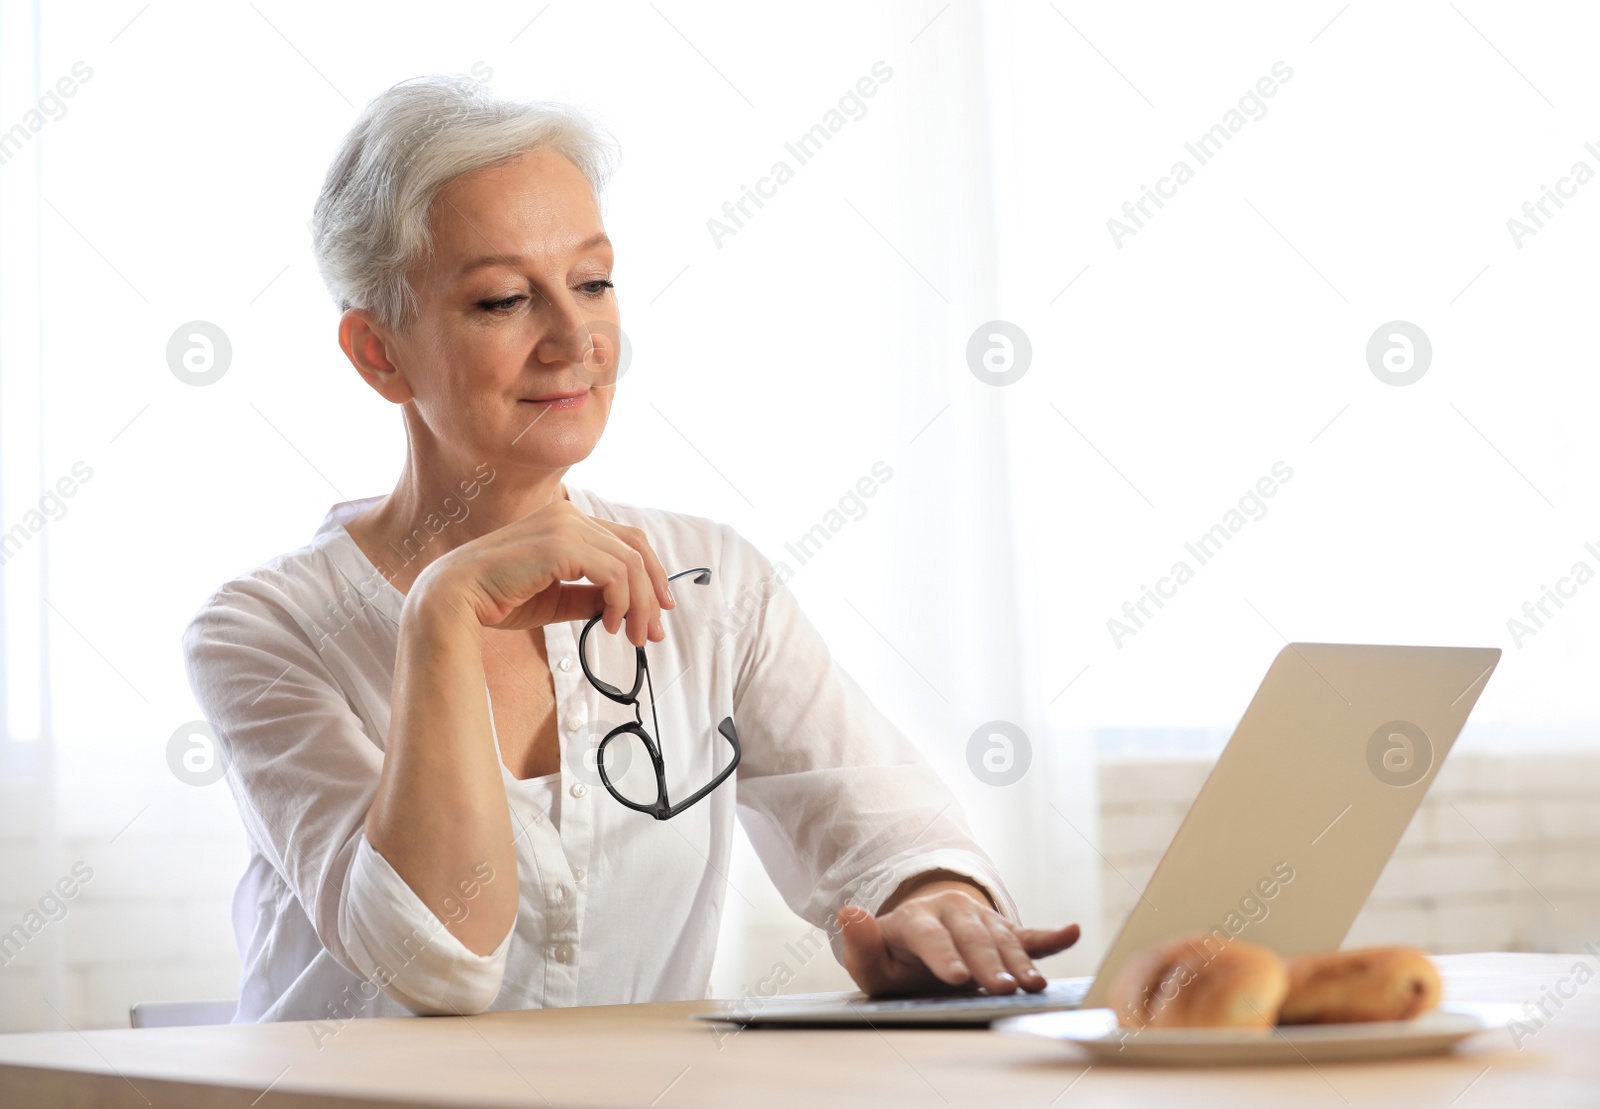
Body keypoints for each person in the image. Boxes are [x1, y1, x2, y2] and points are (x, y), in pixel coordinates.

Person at [182, 74, 1079, 1023]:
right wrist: (443, 611)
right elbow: (435, 964)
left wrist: (936, 910)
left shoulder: (714, 579)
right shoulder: (260, 631)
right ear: (378, 353)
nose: (576, 337)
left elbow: (890, 832)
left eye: (594, 282)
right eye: (501, 300)